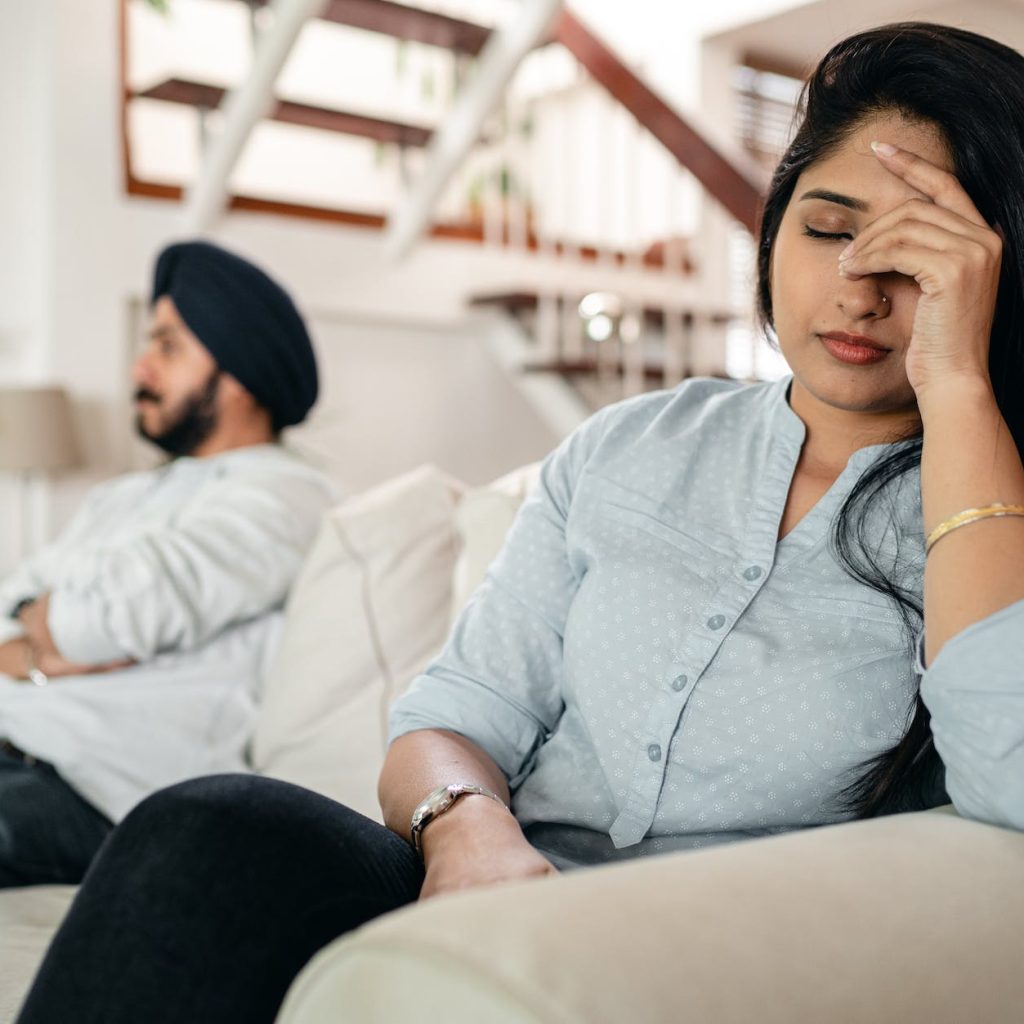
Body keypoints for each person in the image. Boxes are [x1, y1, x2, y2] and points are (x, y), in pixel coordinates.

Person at [15, 22, 1024, 1023]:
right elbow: (456, 710)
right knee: (212, 824)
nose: (859, 286)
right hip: (483, 884)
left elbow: (1007, 783)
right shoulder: (630, 444)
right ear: (772, 230)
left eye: (922, 255)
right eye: (830, 227)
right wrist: (466, 830)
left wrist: (958, 385)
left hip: (708, 947)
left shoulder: (991, 507)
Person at [0, 240, 335, 889]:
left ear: (239, 372)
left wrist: (47, 630)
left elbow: (103, 618)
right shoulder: (123, 495)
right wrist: (40, 646)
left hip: (89, 791)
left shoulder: (286, 495)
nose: (140, 367)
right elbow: (16, 607)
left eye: (167, 346)